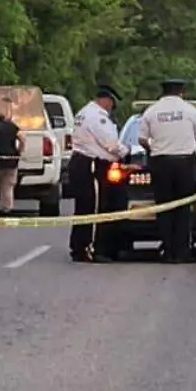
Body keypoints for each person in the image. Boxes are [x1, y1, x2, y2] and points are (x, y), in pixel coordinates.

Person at [140, 78, 196, 263]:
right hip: (185, 163)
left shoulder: (151, 111)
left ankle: (168, 251)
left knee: (164, 207)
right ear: (181, 91)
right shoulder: (190, 110)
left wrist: (153, 148)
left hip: (160, 163)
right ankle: (183, 251)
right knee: (183, 207)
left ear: (162, 91)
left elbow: (142, 139)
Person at [68, 84, 128, 262]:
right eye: (111, 104)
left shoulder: (84, 112)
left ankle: (79, 247)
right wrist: (127, 152)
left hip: (82, 162)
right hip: (91, 165)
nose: (111, 108)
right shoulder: (97, 117)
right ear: (106, 100)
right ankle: (90, 248)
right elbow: (110, 144)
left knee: (84, 208)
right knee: (94, 208)